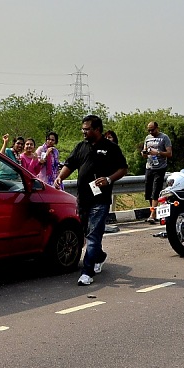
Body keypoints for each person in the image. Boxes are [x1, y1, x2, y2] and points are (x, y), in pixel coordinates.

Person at [54, 115, 128, 286]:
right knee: (86, 232)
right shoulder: (81, 146)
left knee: (94, 235)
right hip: (83, 198)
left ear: (97, 130)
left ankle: (87, 272)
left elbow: (123, 168)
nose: (84, 132)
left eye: (87, 129)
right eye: (83, 129)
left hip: (100, 199)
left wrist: (109, 179)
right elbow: (70, 164)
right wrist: (60, 177)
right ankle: (99, 256)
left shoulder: (110, 148)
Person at [141, 121, 172, 223]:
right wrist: (144, 153)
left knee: (156, 191)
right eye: (149, 130)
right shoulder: (147, 138)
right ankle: (153, 211)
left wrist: (157, 152)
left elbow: (169, 153)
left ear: (157, 128)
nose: (151, 132)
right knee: (149, 192)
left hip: (160, 167)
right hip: (149, 167)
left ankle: (152, 214)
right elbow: (145, 152)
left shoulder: (164, 137)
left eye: (152, 130)